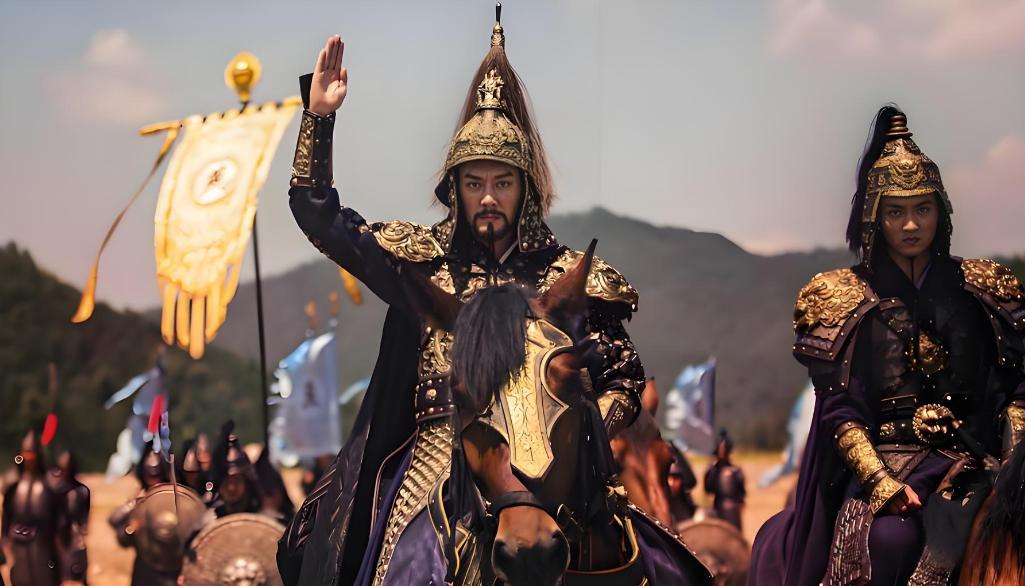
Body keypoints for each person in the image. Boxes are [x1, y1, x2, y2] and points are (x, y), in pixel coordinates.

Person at [278, 9, 645, 585]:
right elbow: (319, 217)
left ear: (525, 189)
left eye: (502, 182)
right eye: (475, 183)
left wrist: (580, 432)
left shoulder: (568, 277)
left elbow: (625, 379)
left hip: (551, 471)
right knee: (385, 563)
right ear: (455, 189)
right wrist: (319, 119)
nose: (488, 197)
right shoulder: (421, 263)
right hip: (434, 454)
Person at [749, 106, 1025, 585]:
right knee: (889, 541)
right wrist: (879, 482)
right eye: (896, 212)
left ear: (941, 211)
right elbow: (841, 410)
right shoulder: (843, 297)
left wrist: (1014, 466)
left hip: (976, 466)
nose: (911, 225)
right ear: (876, 217)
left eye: (922, 209)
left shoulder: (983, 291)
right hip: (889, 464)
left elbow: (1015, 387)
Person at [1, 431, 61, 586]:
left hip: (42, 545)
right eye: (26, 453)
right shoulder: (13, 485)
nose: (28, 458)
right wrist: (6, 539)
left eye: (31, 454)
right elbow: (7, 516)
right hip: (19, 544)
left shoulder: (49, 486)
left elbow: (58, 519)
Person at [46, 450, 90, 583]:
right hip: (57, 536)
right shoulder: (54, 491)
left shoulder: (82, 491)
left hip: (74, 535)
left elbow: (84, 517)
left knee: (77, 573)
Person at [703, 429, 745, 531]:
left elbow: (741, 491)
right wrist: (713, 468)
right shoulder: (713, 470)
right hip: (718, 505)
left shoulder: (735, 471)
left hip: (733, 508)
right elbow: (708, 489)